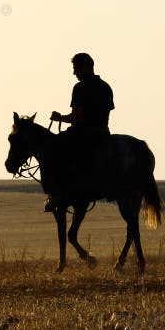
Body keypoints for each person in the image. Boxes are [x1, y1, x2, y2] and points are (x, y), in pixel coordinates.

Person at [42, 52, 114, 212]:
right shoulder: (105, 86)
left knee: (51, 151)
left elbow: (77, 116)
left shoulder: (80, 88)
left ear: (85, 67)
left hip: (83, 135)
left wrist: (59, 117)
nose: (74, 73)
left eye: (76, 68)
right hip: (103, 134)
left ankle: (56, 195)